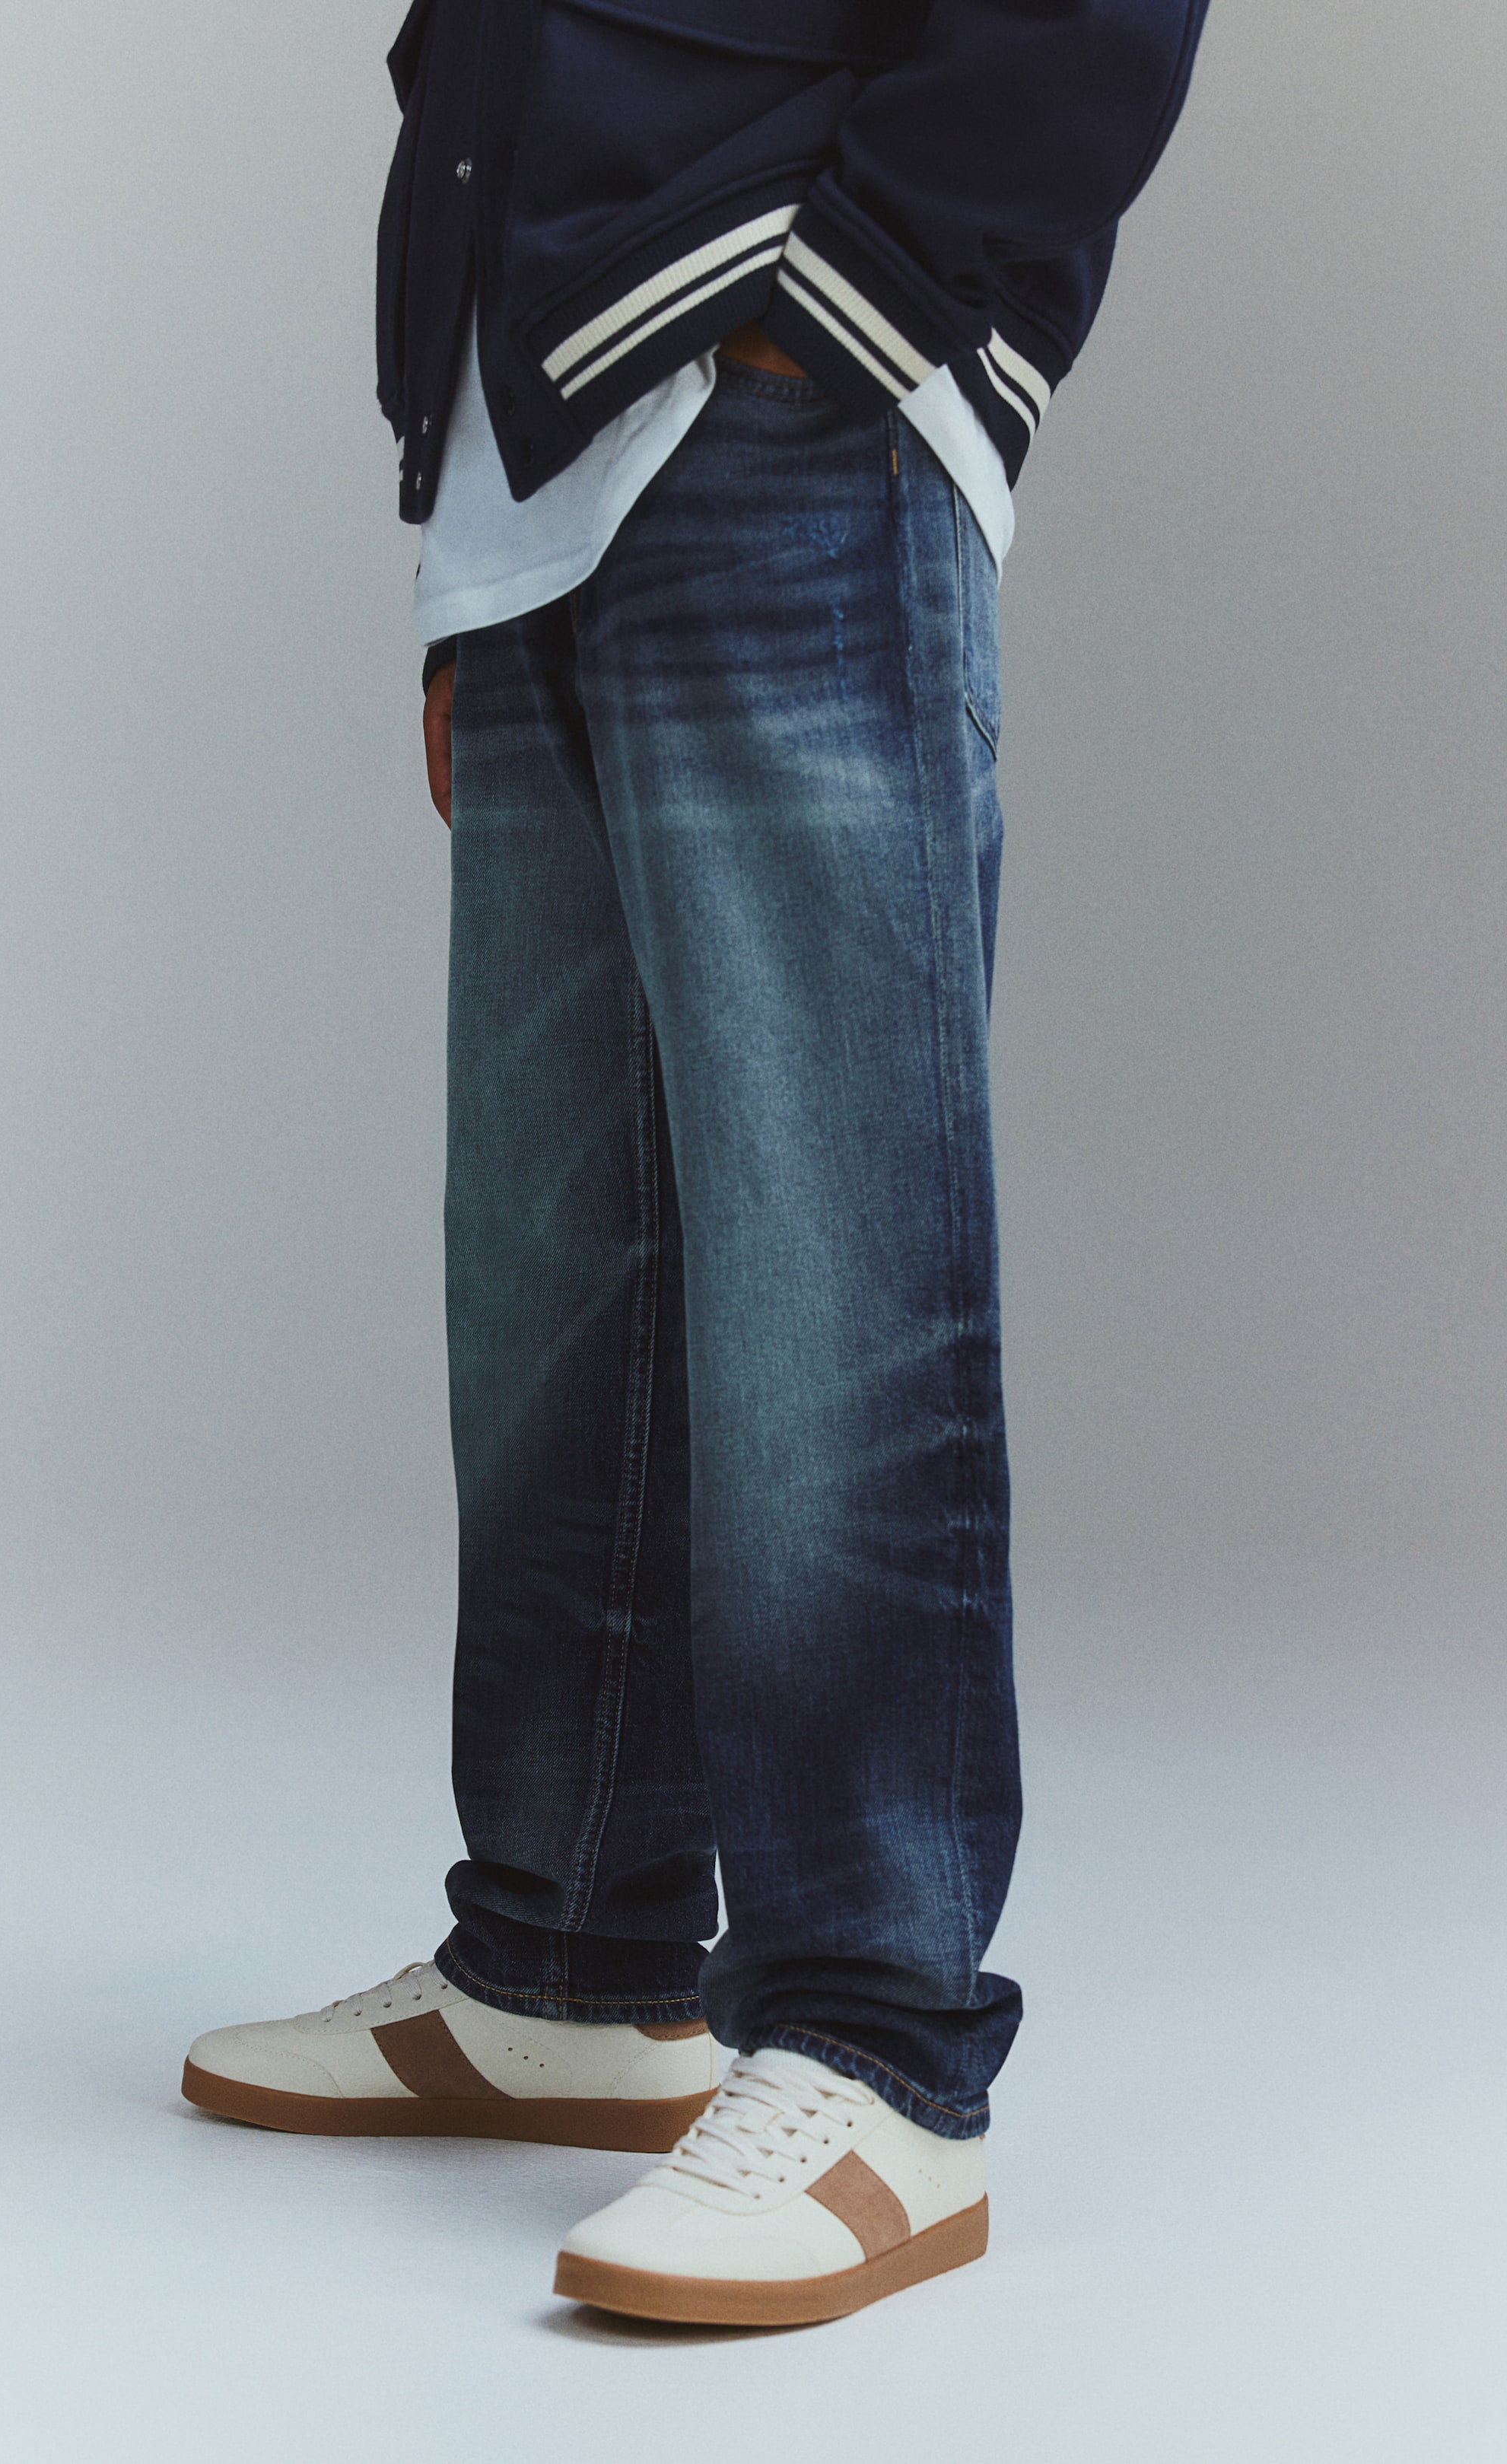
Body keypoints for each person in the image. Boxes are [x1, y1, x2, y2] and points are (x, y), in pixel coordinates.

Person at [183, 0, 1210, 2329]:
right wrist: (461, 519)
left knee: (832, 1283)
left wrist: (854, 301)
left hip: (782, 401)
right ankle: (568, 1954)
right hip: (534, 453)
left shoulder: (813, 350)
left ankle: (878, 2041)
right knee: (562, 1281)